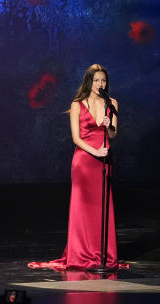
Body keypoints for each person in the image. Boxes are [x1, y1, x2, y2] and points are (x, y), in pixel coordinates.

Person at [29, 64, 119, 270]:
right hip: (84, 161)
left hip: (104, 160)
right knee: (83, 208)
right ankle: (81, 254)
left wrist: (109, 126)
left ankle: (102, 255)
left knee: (102, 207)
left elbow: (113, 134)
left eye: (103, 80)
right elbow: (76, 138)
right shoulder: (78, 104)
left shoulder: (111, 103)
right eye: (96, 80)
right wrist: (94, 151)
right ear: (89, 81)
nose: (100, 84)